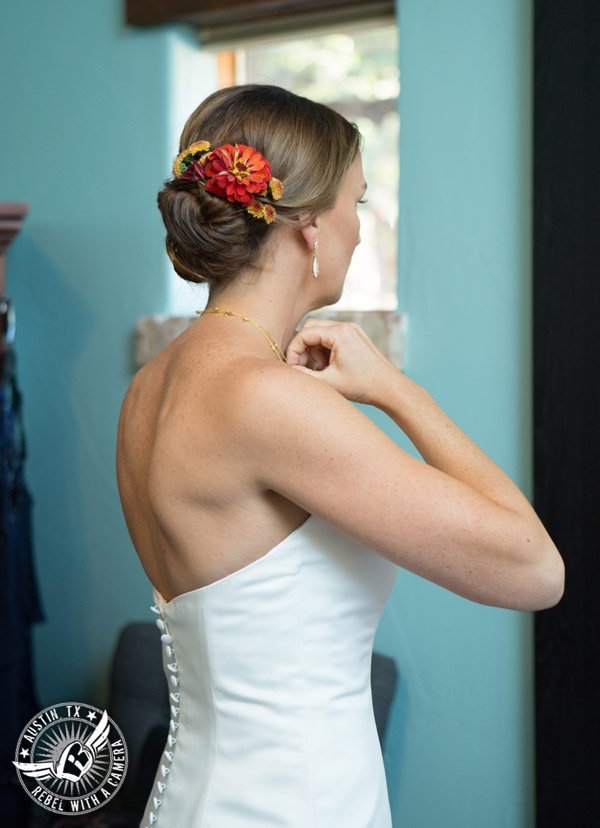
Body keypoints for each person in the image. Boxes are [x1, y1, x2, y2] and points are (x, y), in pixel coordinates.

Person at [116, 84, 564, 828]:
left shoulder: (149, 386)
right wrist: (395, 390)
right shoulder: (270, 399)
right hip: (293, 806)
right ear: (310, 227)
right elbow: (535, 569)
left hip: (189, 798)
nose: (360, 230)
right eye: (356, 204)